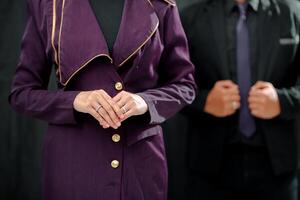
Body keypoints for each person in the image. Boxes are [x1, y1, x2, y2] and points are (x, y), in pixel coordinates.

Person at [8, 0, 196, 199]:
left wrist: (145, 102)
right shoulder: (47, 5)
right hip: (73, 164)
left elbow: (185, 85)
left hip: (139, 164)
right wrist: (76, 100)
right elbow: (21, 93)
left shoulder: (162, 4)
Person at [181, 0, 300, 199]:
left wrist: (282, 101)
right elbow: (167, 82)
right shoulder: (190, 17)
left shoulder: (292, 12)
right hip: (210, 166)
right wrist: (203, 101)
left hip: (278, 167)